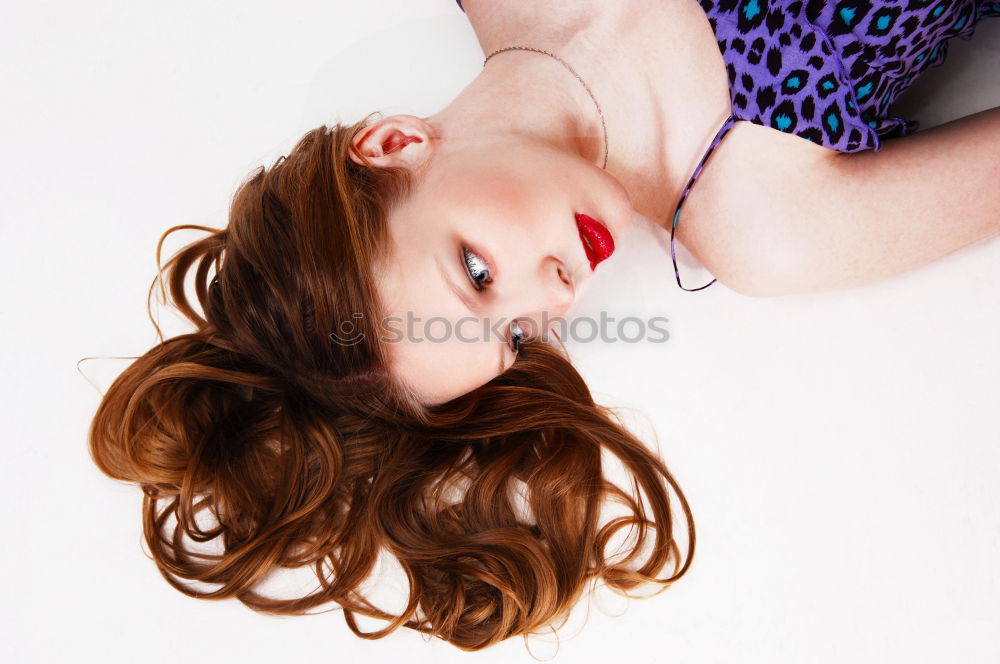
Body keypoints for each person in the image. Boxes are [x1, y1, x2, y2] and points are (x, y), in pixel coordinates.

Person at [86, 0, 999, 652]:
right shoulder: (766, 222)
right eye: (516, 335)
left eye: (477, 272)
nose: (556, 293)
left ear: (393, 144)